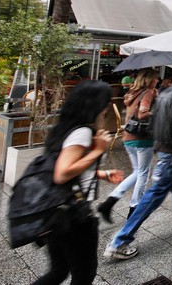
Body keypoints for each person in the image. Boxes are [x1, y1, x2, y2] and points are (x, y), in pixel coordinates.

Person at [104, 64, 172, 260]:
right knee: (155, 195)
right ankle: (119, 241)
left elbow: (156, 120)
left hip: (166, 148)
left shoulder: (165, 92)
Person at [32, 81, 124, 285]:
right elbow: (62, 173)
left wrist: (101, 173)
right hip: (74, 218)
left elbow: (69, 168)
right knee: (83, 276)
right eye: (105, 103)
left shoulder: (66, 128)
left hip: (58, 211)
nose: (107, 108)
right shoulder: (82, 132)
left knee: (58, 271)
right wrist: (98, 150)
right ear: (94, 105)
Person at [97, 68, 159, 223]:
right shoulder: (147, 93)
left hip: (128, 137)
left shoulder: (132, 93)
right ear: (149, 79)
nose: (157, 81)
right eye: (156, 78)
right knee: (143, 173)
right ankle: (134, 208)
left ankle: (110, 201)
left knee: (137, 172)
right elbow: (143, 113)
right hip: (142, 138)